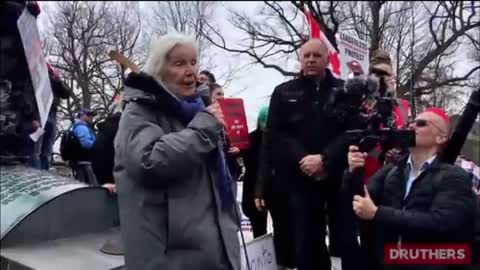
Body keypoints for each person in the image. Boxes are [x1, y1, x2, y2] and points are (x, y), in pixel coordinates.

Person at [113, 33, 240, 270]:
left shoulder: (199, 111)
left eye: (193, 62)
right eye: (179, 63)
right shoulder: (139, 112)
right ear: (160, 70)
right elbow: (148, 162)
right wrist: (204, 129)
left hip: (214, 252)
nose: (190, 71)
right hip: (171, 257)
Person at [344, 107, 476, 270]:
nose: (411, 127)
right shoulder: (391, 170)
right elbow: (359, 202)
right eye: (410, 123)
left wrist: (378, 213)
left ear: (441, 137)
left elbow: (443, 222)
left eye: (421, 123)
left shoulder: (454, 176)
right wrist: (353, 171)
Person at [264, 38, 348, 270]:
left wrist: (325, 159)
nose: (310, 59)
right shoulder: (283, 92)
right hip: (298, 179)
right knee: (306, 243)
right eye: (306, 55)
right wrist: (304, 160)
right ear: (300, 59)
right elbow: (276, 135)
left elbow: (352, 132)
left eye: (316, 55)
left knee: (346, 240)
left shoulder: (344, 91)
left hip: (337, 177)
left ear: (327, 59)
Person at [241, 106, 269, 238]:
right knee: (259, 228)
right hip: (254, 188)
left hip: (264, 187)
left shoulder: (279, 139)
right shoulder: (250, 139)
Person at [70, 108, 97, 185]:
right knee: (90, 187)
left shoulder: (75, 126)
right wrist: (98, 145)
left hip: (81, 162)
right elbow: (86, 144)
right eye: (88, 115)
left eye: (92, 115)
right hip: (85, 162)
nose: (91, 117)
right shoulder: (82, 127)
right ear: (81, 116)